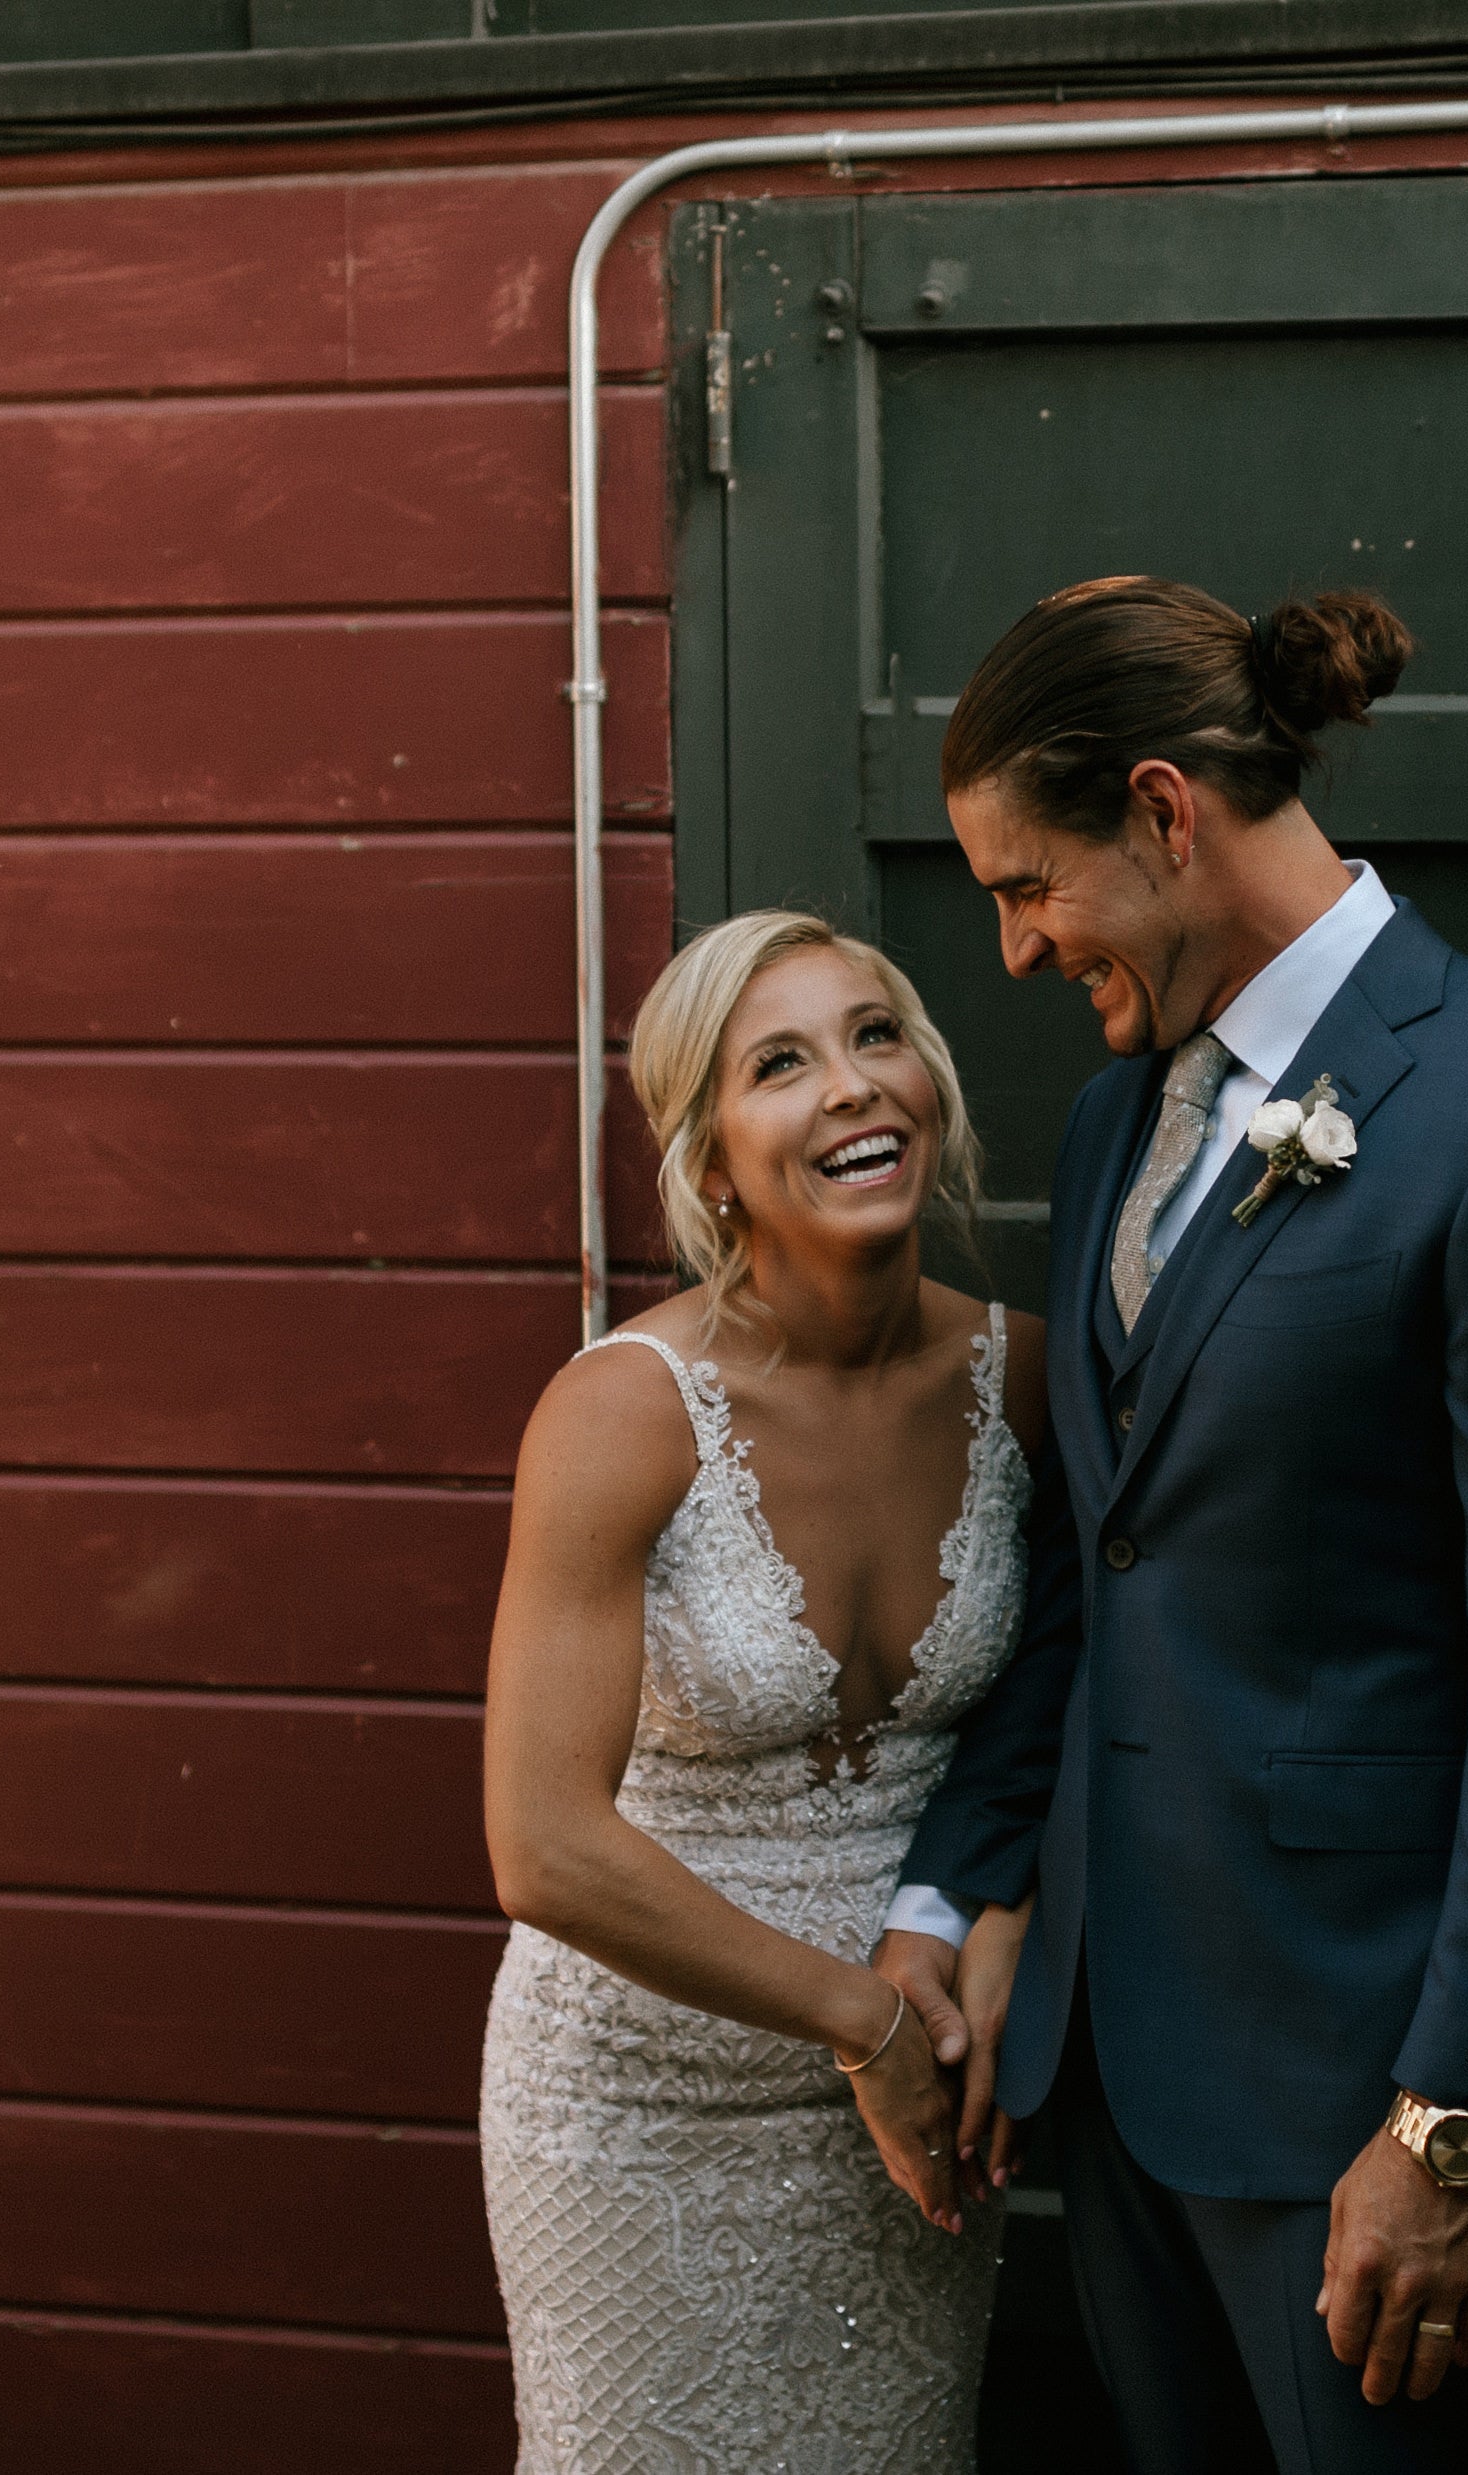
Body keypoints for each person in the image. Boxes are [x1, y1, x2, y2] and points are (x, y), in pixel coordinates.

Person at [872, 577, 1468, 2472]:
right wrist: (966, 1880)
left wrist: (1451, 2128)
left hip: (1364, 2109)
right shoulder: (1115, 1127)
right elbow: (1106, 1564)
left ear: (1165, 815)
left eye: (1026, 887)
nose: (1008, 951)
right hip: (1116, 2073)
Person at [478, 908, 1071, 2472]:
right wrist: (859, 2022)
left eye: (878, 1038)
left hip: (915, 2122)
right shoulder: (621, 1414)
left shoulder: (1035, 1377)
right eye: (782, 1063)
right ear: (713, 1159)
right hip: (635, 2108)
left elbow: (1080, 1694)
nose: (853, 1087)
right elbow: (541, 1843)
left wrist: (996, 1915)